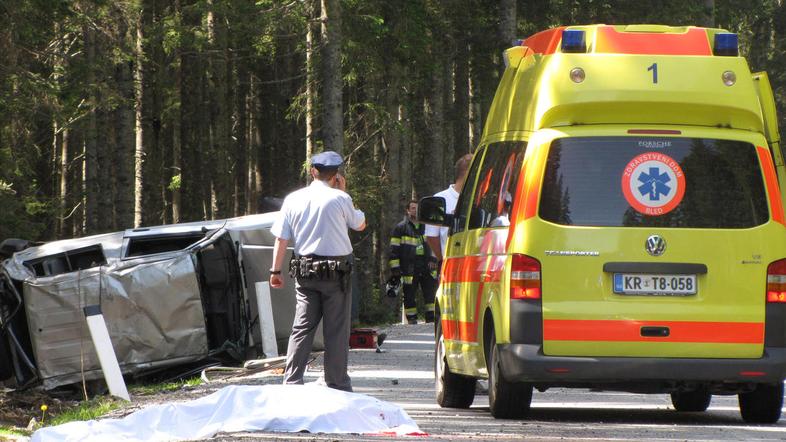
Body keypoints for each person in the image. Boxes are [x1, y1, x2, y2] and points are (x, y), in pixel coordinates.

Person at [268, 150, 366, 392]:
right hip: (336, 274)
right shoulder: (340, 199)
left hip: (306, 271)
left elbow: (281, 239)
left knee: (302, 327)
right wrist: (344, 193)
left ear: (313, 171)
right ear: (337, 175)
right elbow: (360, 224)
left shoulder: (293, 199)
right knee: (336, 330)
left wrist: (275, 271)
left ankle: (291, 382)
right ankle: (337, 383)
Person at [388, 200, 438, 324]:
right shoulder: (400, 228)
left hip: (427, 264)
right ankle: (412, 321)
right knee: (409, 294)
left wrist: (433, 259)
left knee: (430, 293)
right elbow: (394, 249)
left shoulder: (426, 226)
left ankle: (431, 321)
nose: (415, 210)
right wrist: (395, 269)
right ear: (408, 210)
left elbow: (434, 244)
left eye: (417, 208)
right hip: (408, 266)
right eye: (413, 208)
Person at [425, 153, 474, 263]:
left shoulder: (480, 199)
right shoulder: (439, 199)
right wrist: (442, 259)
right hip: (450, 264)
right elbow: (431, 237)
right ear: (468, 173)